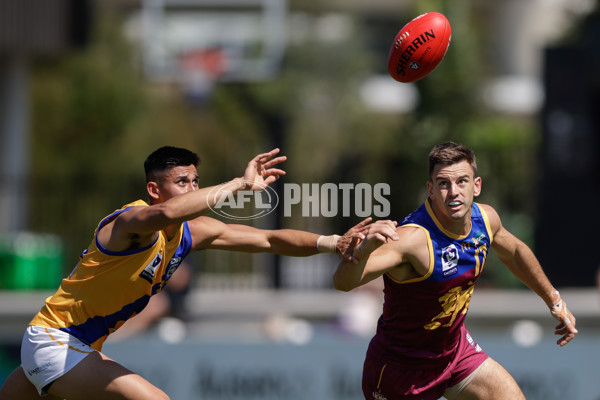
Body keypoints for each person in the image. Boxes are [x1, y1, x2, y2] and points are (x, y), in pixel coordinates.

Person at [0, 146, 369, 400]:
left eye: (195, 181)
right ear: (153, 189)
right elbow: (163, 215)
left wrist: (331, 241)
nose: (193, 189)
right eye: (182, 182)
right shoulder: (129, 221)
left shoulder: (194, 232)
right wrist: (239, 184)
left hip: (71, 344)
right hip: (56, 342)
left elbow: (271, 240)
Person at [333, 141, 578, 400]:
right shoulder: (411, 239)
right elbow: (343, 282)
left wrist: (554, 299)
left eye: (462, 181)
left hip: (455, 353)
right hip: (400, 371)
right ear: (431, 190)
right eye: (443, 183)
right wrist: (363, 251)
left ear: (477, 185)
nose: (454, 192)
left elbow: (515, 252)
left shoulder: (484, 219)